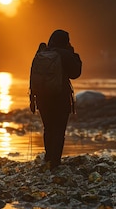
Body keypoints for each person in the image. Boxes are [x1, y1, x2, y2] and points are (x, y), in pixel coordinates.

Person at [30, 29, 82, 169]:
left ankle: (48, 157)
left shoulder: (42, 52)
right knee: (59, 129)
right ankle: (55, 161)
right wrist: (73, 54)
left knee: (48, 128)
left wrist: (33, 98)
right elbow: (76, 73)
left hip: (42, 97)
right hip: (60, 97)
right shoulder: (65, 54)